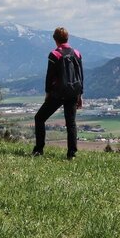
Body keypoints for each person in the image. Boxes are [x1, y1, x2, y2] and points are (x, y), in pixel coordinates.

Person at [32, 27, 83, 159]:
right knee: (71, 123)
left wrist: (48, 93)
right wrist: (80, 95)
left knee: (39, 118)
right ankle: (72, 154)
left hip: (58, 93)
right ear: (68, 38)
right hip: (73, 92)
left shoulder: (54, 55)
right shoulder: (76, 53)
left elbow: (50, 76)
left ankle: (39, 150)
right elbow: (80, 76)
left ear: (55, 40)